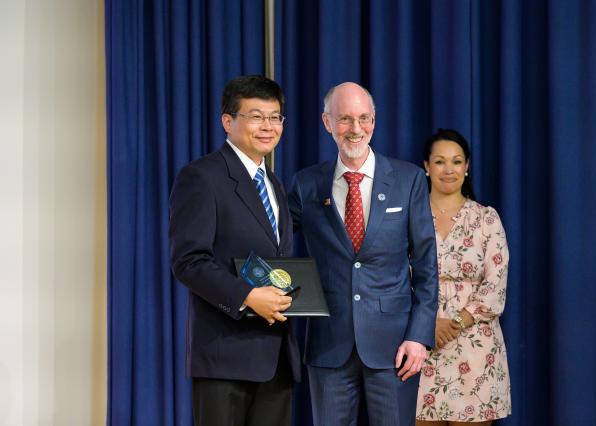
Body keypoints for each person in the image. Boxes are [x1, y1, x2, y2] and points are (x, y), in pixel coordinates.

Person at [288, 82, 439, 426]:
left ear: (374, 120)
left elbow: (427, 265)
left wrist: (418, 336)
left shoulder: (408, 179)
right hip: (329, 346)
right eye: (344, 119)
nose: (355, 129)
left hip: (395, 348)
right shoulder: (306, 184)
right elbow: (273, 240)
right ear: (327, 123)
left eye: (364, 118)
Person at [168, 75, 300, 426]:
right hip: (224, 356)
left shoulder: (274, 184)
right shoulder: (201, 177)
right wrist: (247, 296)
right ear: (228, 121)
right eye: (256, 116)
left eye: (275, 118)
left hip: (276, 358)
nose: (268, 127)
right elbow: (189, 261)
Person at [415, 129, 511, 425]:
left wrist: (455, 323)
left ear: (467, 167)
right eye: (440, 162)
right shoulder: (408, 217)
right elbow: (391, 276)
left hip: (475, 347)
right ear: (426, 166)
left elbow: (496, 284)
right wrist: (425, 324)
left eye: (456, 162)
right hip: (419, 343)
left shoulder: (486, 218)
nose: (449, 170)